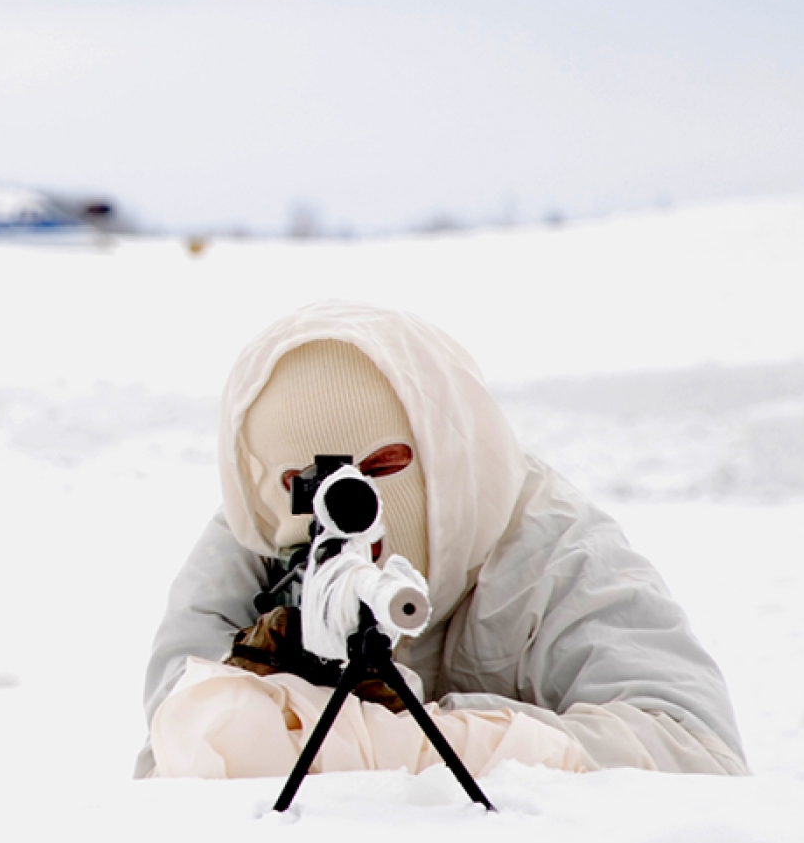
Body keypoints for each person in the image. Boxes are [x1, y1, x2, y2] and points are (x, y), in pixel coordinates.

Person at [137, 301, 749, 781]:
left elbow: (696, 753)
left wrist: (428, 741)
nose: (346, 515)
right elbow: (178, 746)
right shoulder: (260, 530)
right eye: (306, 484)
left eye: (382, 469)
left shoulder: (552, 551)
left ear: (444, 455)